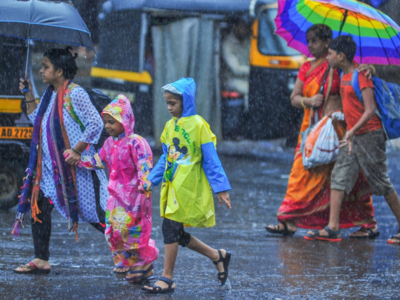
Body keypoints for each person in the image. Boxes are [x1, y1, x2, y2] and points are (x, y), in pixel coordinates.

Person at [266, 24, 379, 238]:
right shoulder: (307, 68)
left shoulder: (341, 66)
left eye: (314, 41)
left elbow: (361, 77)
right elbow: (295, 98)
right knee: (300, 173)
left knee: (350, 178)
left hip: (339, 130)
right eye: (308, 41)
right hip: (311, 130)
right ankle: (288, 220)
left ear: (328, 43)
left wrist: (370, 69)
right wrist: (309, 101)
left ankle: (366, 222)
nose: (310, 46)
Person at [13, 47, 108, 274]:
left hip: (78, 170)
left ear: (60, 71)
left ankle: (131, 252)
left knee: (96, 215)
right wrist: (27, 94)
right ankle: (41, 258)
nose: (41, 70)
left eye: (46, 66)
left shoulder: (75, 94)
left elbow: (96, 123)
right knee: (40, 208)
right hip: (52, 170)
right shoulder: (50, 95)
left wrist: (76, 150)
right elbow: (38, 119)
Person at [305, 35, 400, 244]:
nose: (327, 57)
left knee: (381, 183)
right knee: (339, 177)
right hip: (353, 136)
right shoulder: (342, 74)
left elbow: (369, 110)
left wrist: (352, 130)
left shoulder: (361, 75)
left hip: (369, 136)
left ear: (341, 55)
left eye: (330, 54)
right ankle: (333, 228)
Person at [141, 78, 232, 294]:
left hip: (189, 188)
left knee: (169, 228)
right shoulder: (169, 126)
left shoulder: (198, 125)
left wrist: (221, 188)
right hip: (172, 187)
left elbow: (211, 159)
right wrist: (151, 180)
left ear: (186, 101)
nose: (169, 107)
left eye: (173, 103)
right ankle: (217, 256)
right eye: (167, 103)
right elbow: (165, 157)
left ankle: (167, 278)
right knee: (176, 233)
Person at [75, 95, 159, 280]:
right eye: (106, 122)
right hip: (116, 196)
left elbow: (144, 166)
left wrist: (145, 184)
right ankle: (128, 262)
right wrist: (78, 160)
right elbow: (98, 161)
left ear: (125, 120)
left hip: (135, 195)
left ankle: (143, 264)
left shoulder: (136, 142)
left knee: (133, 230)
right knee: (114, 230)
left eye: (112, 122)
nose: (107, 126)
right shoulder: (109, 143)